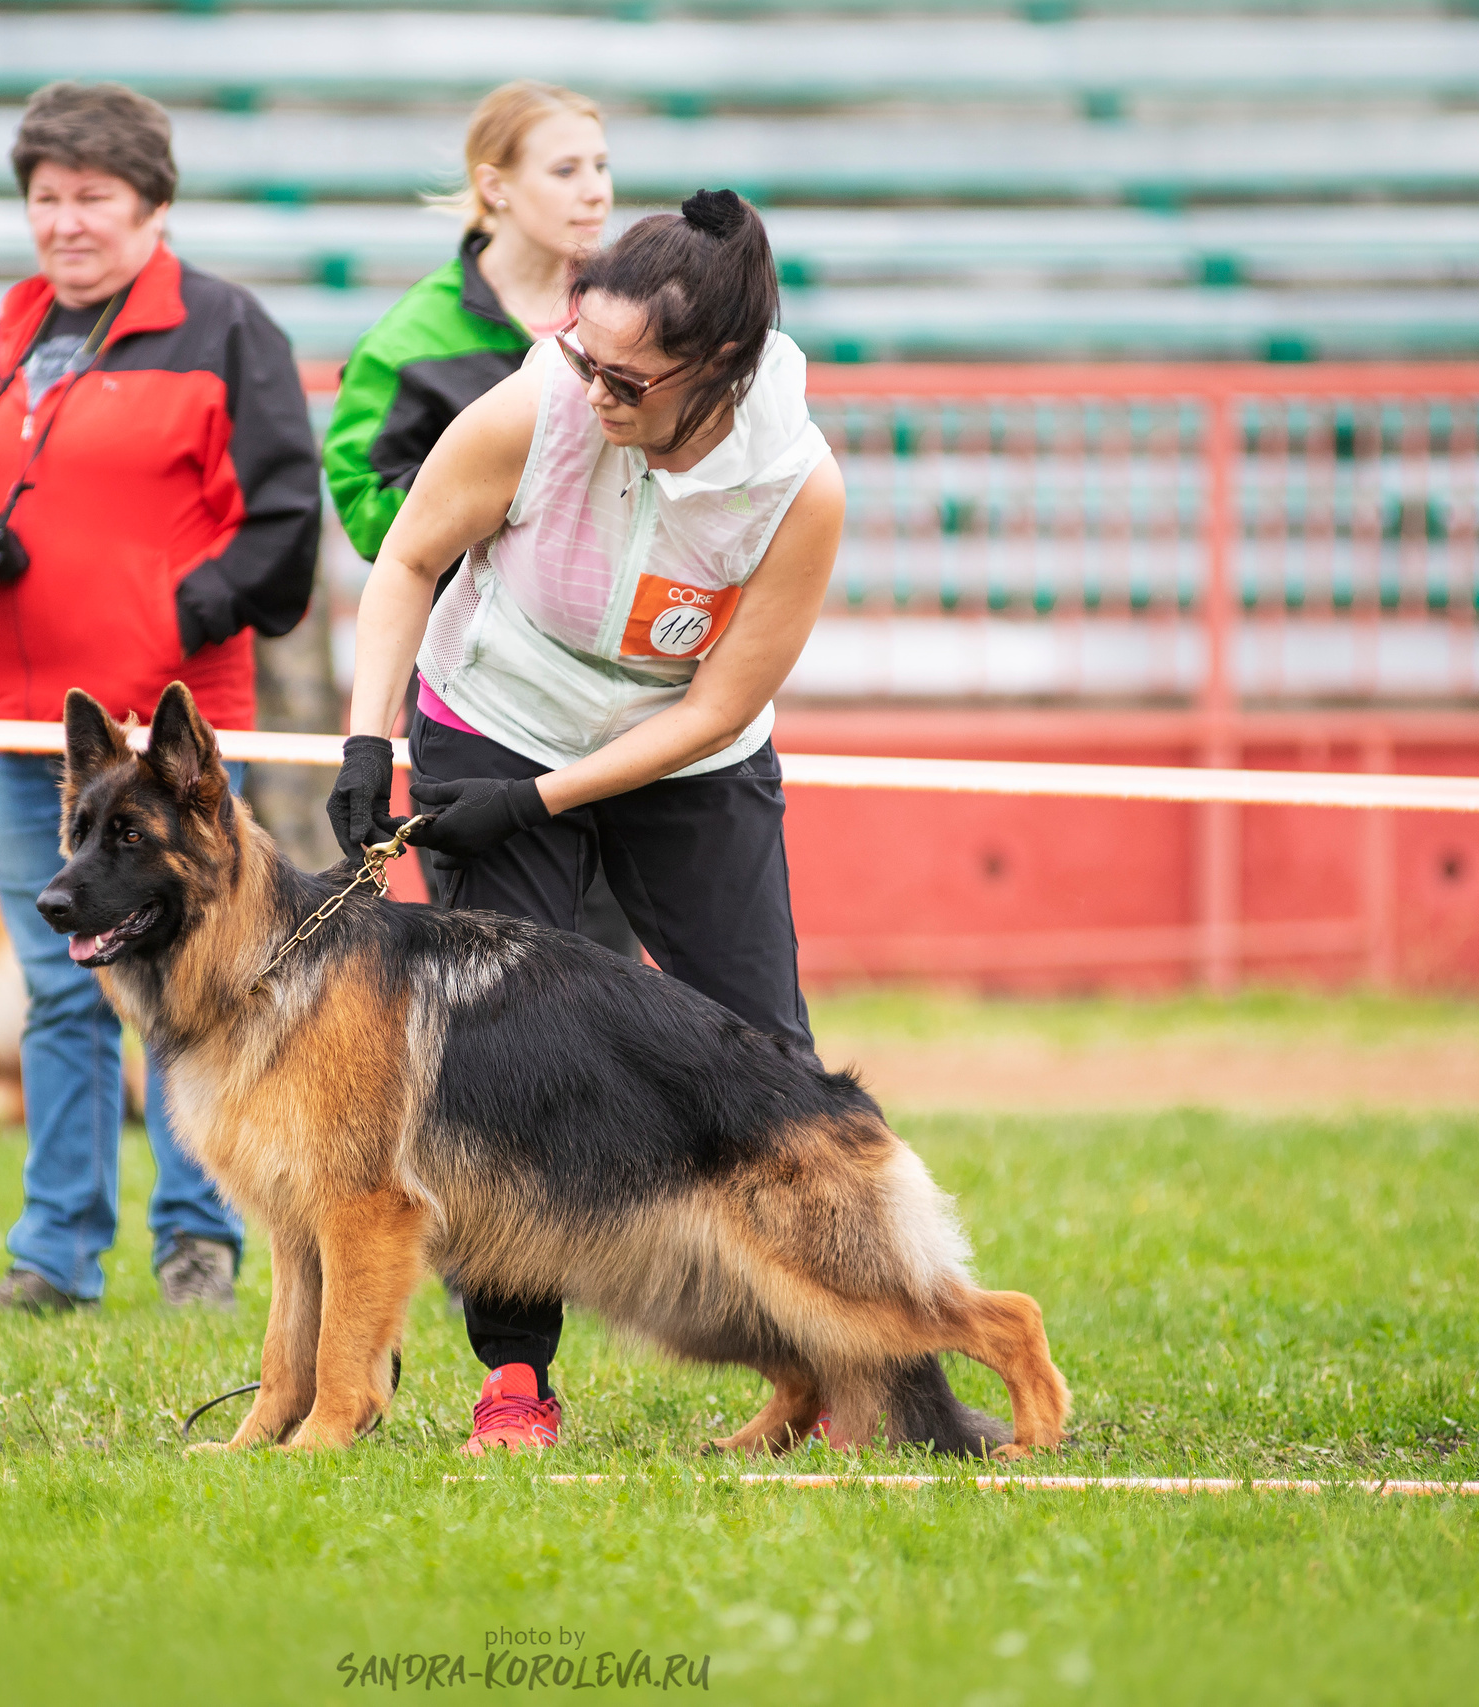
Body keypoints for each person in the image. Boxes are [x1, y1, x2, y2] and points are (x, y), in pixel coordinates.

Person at [326, 190, 988, 1455]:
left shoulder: (796, 486)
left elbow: (719, 704)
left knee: (770, 1056)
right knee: (492, 1070)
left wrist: (539, 803)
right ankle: (514, 1380)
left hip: (686, 751)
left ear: (718, 371)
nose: (594, 389)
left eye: (627, 376)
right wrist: (371, 741)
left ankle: (866, 1370)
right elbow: (406, 560)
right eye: (583, 353)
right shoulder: (538, 405)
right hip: (493, 715)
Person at [0, 81, 321, 1316]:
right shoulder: (1, 340)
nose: (65, 222)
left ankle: (201, 1241)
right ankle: (54, 1252)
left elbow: (285, 523)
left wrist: (166, 625)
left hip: (170, 750)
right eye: (45, 198)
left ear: (150, 203)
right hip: (32, 735)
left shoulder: (224, 328)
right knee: (57, 985)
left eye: (92, 196)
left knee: (194, 986)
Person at [322, 78, 640, 960]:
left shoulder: (636, 319)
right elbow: (366, 509)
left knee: (624, 977)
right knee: (509, 975)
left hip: (624, 699)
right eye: (567, 168)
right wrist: (491, 516)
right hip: (478, 704)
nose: (596, 191)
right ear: (494, 184)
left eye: (603, 166)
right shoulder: (409, 338)